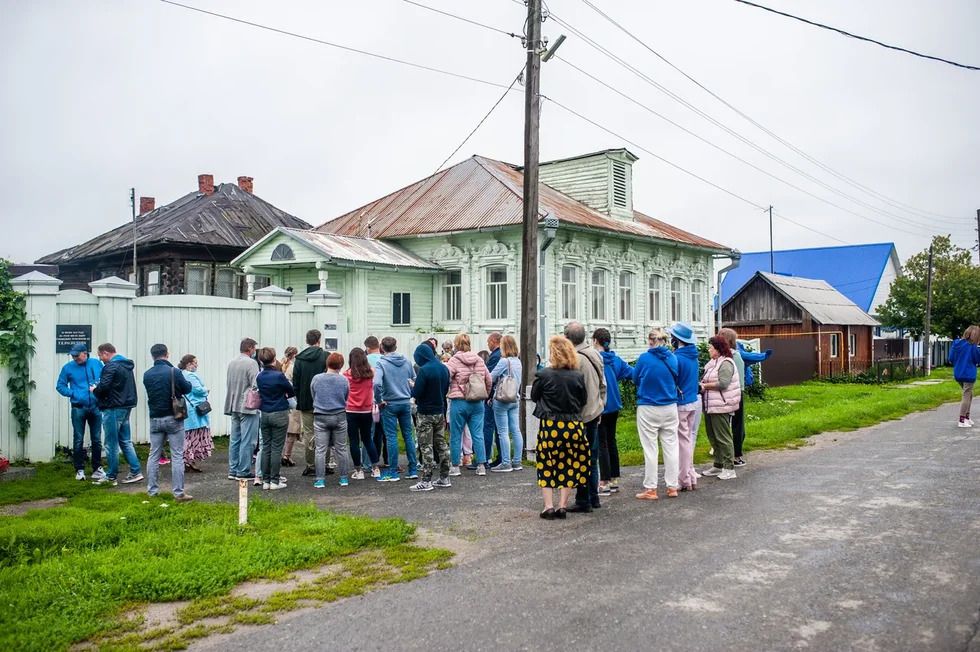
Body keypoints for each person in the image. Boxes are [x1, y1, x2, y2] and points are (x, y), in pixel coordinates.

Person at [532, 335, 588, 520]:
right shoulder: (578, 375)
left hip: (551, 425)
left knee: (547, 463)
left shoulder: (544, 374)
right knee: (570, 463)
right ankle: (562, 506)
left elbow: (534, 396)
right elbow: (583, 400)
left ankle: (548, 506)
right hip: (573, 425)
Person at [632, 329, 681, 500]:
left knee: (650, 449)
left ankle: (651, 488)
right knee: (671, 446)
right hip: (670, 406)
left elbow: (635, 378)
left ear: (650, 341)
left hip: (648, 406)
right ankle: (672, 486)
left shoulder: (645, 358)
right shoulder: (673, 358)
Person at [564, 321, 607, 513]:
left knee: (580, 458)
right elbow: (602, 385)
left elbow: (573, 391)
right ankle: (594, 496)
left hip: (580, 415)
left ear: (567, 338)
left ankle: (583, 499)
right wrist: (600, 406)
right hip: (595, 411)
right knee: (593, 456)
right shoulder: (595, 354)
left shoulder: (574, 359)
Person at [142, 343, 193, 501]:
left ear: (152, 356)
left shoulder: (147, 374)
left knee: (154, 454)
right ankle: (178, 493)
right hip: (173, 418)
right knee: (177, 455)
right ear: (167, 354)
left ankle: (152, 491)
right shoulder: (174, 371)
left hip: (155, 418)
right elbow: (187, 388)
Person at [92, 343, 143, 486]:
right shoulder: (126, 365)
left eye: (101, 356)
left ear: (105, 353)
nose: (101, 360)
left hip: (113, 407)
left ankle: (111, 476)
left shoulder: (110, 366)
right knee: (125, 441)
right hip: (126, 406)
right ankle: (135, 471)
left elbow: (104, 387)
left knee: (111, 443)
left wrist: (94, 390)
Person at [592, 328, 632, 495]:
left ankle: (604, 481)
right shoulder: (614, 359)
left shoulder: (595, 359)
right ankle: (614, 478)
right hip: (614, 404)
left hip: (601, 406)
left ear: (595, 341)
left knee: (601, 443)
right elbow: (632, 373)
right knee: (611, 441)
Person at [56, 343, 105, 482]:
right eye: (73, 355)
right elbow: (60, 386)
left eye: (77, 355)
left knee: (97, 439)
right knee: (78, 439)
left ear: (85, 353)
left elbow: (104, 380)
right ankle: (79, 469)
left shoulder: (96, 363)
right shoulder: (68, 368)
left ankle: (97, 468)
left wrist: (100, 394)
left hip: (95, 406)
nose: (75, 358)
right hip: (78, 407)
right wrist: (74, 394)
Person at [373, 337, 418, 482]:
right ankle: (413, 470)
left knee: (391, 437)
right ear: (396, 346)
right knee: (408, 436)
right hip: (405, 402)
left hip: (389, 403)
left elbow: (377, 384)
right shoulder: (406, 361)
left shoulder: (381, 363)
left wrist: (379, 400)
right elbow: (414, 379)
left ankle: (393, 472)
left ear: (382, 347)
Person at [447, 333, 492, 476]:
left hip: (459, 401)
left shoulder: (454, 360)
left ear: (456, 344)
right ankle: (481, 466)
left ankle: (455, 466)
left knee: (456, 435)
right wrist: (484, 395)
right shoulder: (479, 360)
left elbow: (446, 377)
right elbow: (489, 380)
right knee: (477, 434)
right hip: (477, 402)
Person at [410, 342, 452, 491]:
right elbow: (446, 388)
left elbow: (416, 393)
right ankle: (444, 477)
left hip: (425, 412)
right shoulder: (443, 368)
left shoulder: (424, 370)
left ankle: (426, 480)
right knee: (441, 444)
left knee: (426, 446)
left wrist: (412, 386)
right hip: (439, 411)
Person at [700, 335, 742, 480]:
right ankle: (718, 465)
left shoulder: (726, 363)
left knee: (723, 437)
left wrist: (704, 386)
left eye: (711, 347)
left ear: (718, 349)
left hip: (721, 405)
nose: (709, 350)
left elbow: (723, 383)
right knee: (713, 436)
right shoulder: (712, 363)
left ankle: (729, 468)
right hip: (710, 405)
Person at [667, 323, 701, 492]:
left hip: (681, 403)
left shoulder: (677, 358)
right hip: (693, 401)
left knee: (682, 442)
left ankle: (684, 478)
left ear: (677, 340)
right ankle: (691, 474)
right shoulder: (693, 356)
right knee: (687, 440)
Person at [255, 347, 295, 490]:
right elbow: (290, 391)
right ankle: (274, 480)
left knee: (266, 446)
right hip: (279, 412)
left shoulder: (259, 376)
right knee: (277, 448)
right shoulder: (279, 376)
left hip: (264, 413)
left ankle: (265, 480)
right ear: (274, 359)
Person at [313, 352, 353, 487]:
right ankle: (343, 478)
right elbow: (346, 396)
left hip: (320, 416)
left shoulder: (316, 378)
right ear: (341, 365)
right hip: (339, 415)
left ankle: (320, 479)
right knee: (341, 448)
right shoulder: (344, 380)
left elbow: (314, 395)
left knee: (320, 450)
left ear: (327, 363)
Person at [224, 337, 260, 480]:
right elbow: (255, 384)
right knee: (248, 440)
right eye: (254, 349)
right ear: (250, 348)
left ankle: (233, 469)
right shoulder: (252, 363)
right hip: (247, 406)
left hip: (233, 404)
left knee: (235, 439)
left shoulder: (232, 363)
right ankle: (243, 471)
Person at [733, 340, 774, 465]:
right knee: (737, 424)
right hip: (737, 391)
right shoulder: (738, 353)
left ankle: (731, 452)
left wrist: (764, 356)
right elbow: (752, 357)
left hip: (730, 393)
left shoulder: (734, 354)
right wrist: (764, 355)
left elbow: (751, 357)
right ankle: (735, 453)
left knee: (731, 424)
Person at [293, 330, 328, 477]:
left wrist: (299, 398)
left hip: (306, 401)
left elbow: (296, 381)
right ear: (319, 340)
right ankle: (325, 463)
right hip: (324, 401)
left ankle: (311, 464)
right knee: (325, 432)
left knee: (308, 433)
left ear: (307, 340)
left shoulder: (299, 359)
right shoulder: (326, 356)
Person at [344, 347, 381, 480]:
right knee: (367, 439)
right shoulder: (371, 372)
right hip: (367, 410)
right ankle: (375, 467)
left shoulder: (346, 374)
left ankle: (358, 470)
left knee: (354, 441)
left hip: (351, 410)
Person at [489, 335, 523, 473]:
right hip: (515, 398)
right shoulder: (518, 362)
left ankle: (506, 463)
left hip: (502, 399)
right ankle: (517, 461)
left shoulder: (504, 361)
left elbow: (491, 377)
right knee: (516, 430)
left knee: (503, 432)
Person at [178, 354, 213, 472]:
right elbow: (197, 390)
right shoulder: (190, 375)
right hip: (195, 409)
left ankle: (187, 460)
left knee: (188, 435)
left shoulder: (181, 373)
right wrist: (206, 390)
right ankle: (189, 460)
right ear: (188, 364)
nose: (196, 365)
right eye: (195, 363)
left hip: (189, 408)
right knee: (194, 435)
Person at [949, 325, 980, 427]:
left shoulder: (956, 343)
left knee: (969, 394)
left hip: (958, 373)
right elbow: (977, 360)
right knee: (966, 395)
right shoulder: (973, 347)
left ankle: (967, 417)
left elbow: (951, 358)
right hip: (969, 374)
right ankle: (962, 420)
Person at [365, 335, 387, 466]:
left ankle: (369, 463)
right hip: (386, 399)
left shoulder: (365, 360)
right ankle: (390, 461)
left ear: (367, 347)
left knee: (370, 433)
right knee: (387, 433)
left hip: (370, 400)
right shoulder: (385, 359)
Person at [280, 346, 302, 466]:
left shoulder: (281, 364)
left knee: (282, 430)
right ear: (294, 355)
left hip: (282, 401)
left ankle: (281, 454)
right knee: (292, 430)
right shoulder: (293, 367)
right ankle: (286, 455)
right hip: (292, 400)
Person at [483, 331, 502, 466]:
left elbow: (489, 376)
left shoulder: (495, 356)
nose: (487, 344)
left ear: (494, 341)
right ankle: (501, 457)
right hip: (503, 396)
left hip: (492, 396)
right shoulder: (503, 355)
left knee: (488, 426)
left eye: (489, 341)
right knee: (500, 428)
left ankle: (485, 457)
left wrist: (487, 396)